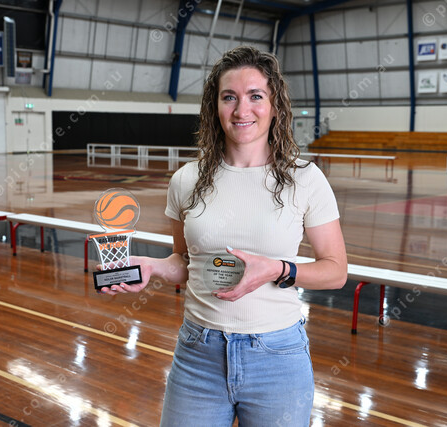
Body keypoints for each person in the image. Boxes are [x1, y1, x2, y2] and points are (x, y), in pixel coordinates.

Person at [99, 45, 347, 426]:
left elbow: (336, 270)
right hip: (198, 355)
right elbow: (186, 263)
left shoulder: (305, 179)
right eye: (229, 97)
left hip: (277, 358)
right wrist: (152, 267)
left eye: (255, 96)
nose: (241, 110)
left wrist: (278, 269)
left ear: (275, 106)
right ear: (214, 107)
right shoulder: (186, 180)